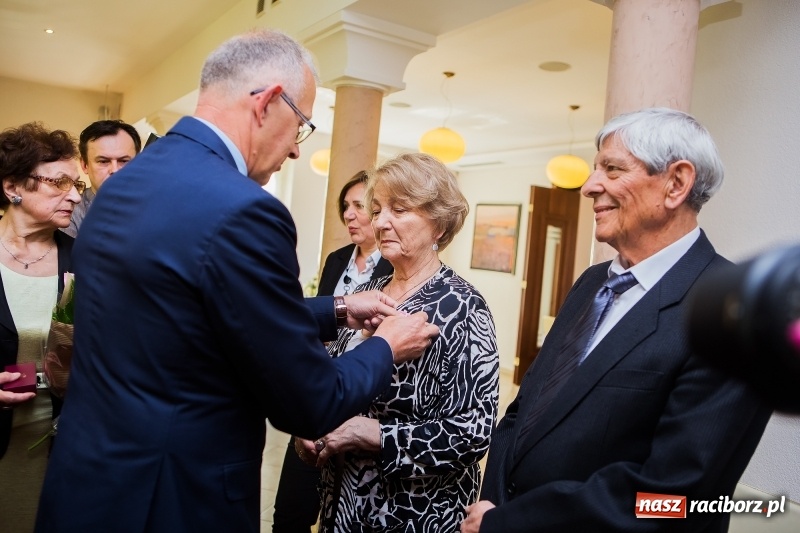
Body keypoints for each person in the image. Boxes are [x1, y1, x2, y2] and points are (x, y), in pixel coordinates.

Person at [36, 29, 438, 533]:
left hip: (88, 481)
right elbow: (310, 402)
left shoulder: (123, 184)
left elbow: (178, 304)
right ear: (269, 102)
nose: (296, 150)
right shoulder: (246, 211)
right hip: (172, 499)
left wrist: (332, 310)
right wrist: (385, 345)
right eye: (302, 126)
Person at [462, 108, 773, 533]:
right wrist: (493, 501)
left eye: (612, 168)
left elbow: (672, 498)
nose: (590, 186)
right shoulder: (593, 281)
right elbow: (525, 411)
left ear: (676, 184)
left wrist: (509, 522)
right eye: (595, 169)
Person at [296, 152, 500, 532]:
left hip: (414, 513)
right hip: (342, 506)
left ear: (438, 225)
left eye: (399, 209)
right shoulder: (367, 292)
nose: (381, 222)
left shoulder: (462, 306)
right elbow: (331, 374)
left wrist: (371, 434)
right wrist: (311, 427)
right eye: (377, 210)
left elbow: (474, 432)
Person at [272, 170, 393, 533]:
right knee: (291, 509)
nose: (349, 215)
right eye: (346, 206)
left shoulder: (393, 269)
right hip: (316, 396)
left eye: (359, 206)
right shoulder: (337, 259)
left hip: (359, 397)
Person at [0, 122, 82, 531]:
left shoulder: (85, 259)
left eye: (78, 182)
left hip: (57, 450)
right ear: (13, 185)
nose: (76, 194)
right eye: (60, 182)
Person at [62, 119, 141, 237]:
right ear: (85, 165)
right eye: (103, 161)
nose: (115, 170)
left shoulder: (157, 206)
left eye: (124, 161)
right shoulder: (69, 213)